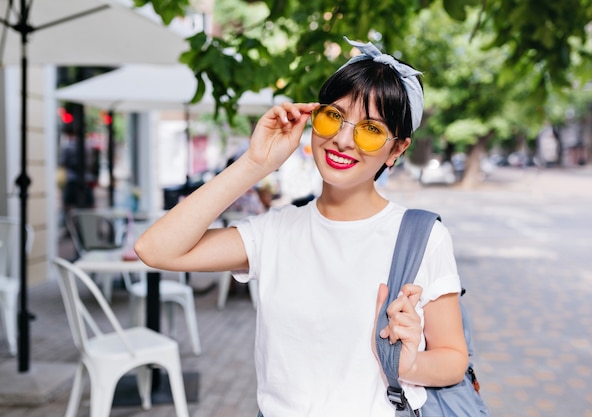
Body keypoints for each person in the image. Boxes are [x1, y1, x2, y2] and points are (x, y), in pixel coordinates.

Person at [135, 37, 468, 417]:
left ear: (397, 150)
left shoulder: (421, 238)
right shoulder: (274, 232)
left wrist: (407, 364)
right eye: (334, 117)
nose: (343, 139)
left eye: (371, 130)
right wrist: (256, 163)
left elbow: (453, 358)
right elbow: (156, 249)